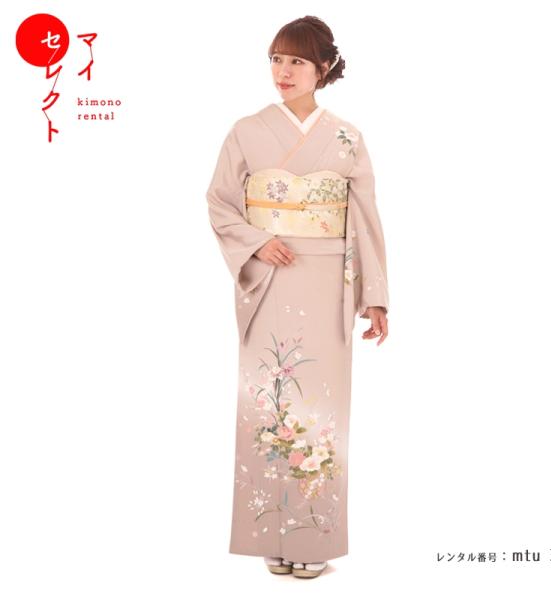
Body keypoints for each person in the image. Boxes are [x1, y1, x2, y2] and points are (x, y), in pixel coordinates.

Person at [206, 15, 389, 579]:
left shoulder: (346, 137)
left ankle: (312, 538)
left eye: (297, 61)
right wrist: (258, 242)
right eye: (276, 59)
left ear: (323, 68)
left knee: (320, 408)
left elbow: (364, 218)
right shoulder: (246, 130)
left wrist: (375, 296)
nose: (283, 71)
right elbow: (220, 201)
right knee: (268, 402)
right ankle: (269, 529)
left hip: (328, 281)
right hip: (269, 278)